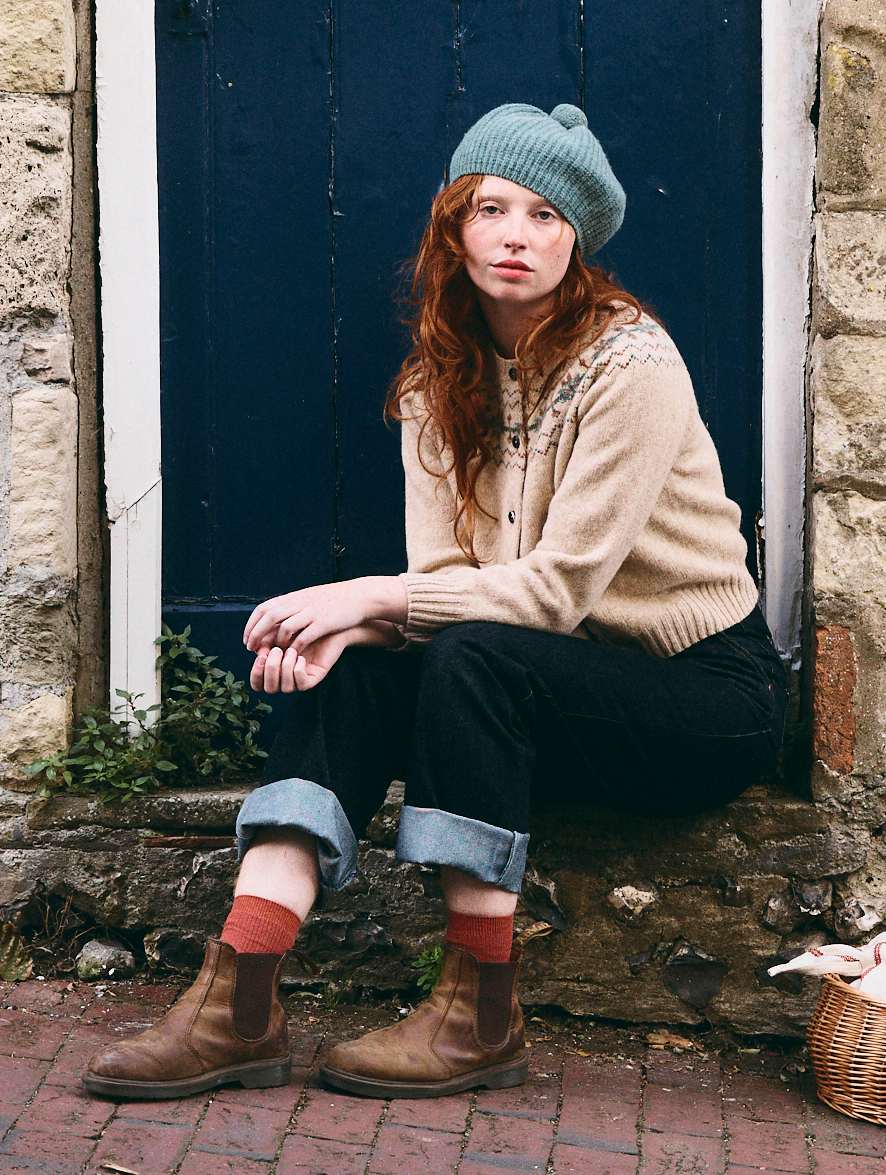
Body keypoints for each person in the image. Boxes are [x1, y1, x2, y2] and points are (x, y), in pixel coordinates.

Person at [83, 101, 788, 1102]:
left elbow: (545, 594)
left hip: (700, 698)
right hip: (541, 688)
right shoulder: (436, 380)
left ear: (576, 240)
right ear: (452, 225)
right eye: (491, 208)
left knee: (470, 654)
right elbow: (448, 589)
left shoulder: (630, 366)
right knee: (376, 661)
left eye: (545, 215)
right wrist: (346, 633)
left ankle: (478, 1011)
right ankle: (238, 993)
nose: (514, 235)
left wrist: (358, 596)